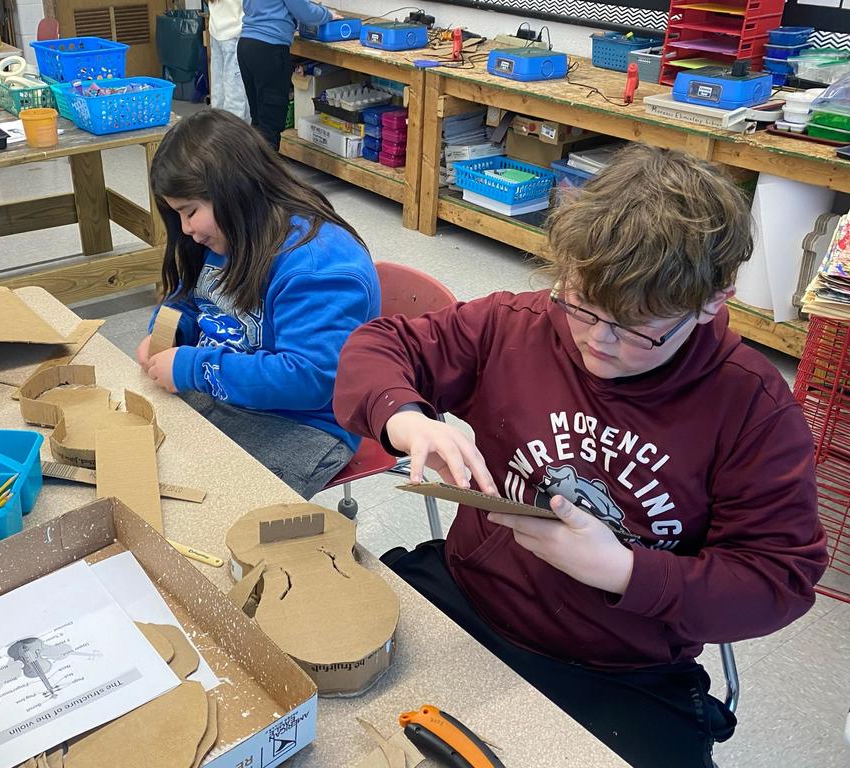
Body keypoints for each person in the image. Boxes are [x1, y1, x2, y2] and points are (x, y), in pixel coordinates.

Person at [333, 144, 828, 768]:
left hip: (621, 666)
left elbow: (778, 579)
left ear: (713, 300)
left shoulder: (753, 409)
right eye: (582, 307)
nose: (599, 342)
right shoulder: (520, 324)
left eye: (638, 328)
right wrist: (403, 415)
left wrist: (624, 571)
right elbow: (379, 345)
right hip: (470, 595)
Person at [138, 109, 379, 499]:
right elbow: (190, 296)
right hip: (232, 390)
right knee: (148, 459)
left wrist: (192, 367)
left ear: (235, 191)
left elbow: (306, 380)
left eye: (190, 212)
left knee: (210, 506)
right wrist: (164, 334)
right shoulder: (228, 233)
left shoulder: (318, 267)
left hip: (306, 423)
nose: (185, 229)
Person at [237, 0, 338, 149]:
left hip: (247, 45)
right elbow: (306, 13)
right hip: (269, 49)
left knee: (258, 118)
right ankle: (265, 170)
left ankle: (252, 168)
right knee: (270, 123)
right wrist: (328, 14)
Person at [207, 0, 250, 122]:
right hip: (233, 32)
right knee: (235, 96)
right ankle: (233, 139)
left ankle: (218, 136)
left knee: (218, 93)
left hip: (217, 29)